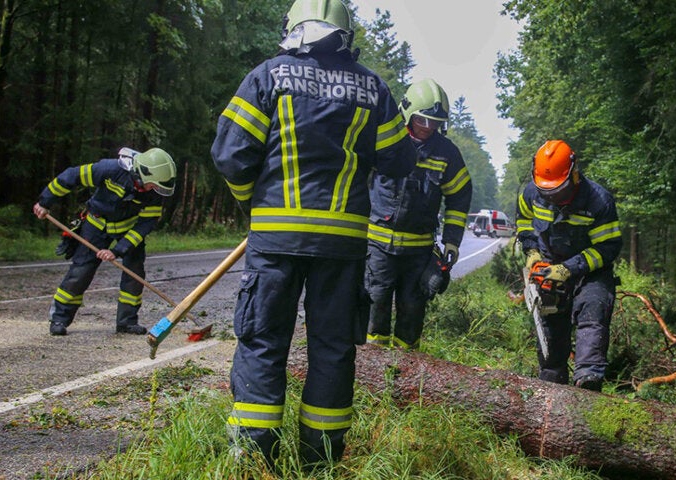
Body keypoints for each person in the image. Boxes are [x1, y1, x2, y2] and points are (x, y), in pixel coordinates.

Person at [210, 0, 415, 468]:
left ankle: (254, 461)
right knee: (333, 348)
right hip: (342, 245)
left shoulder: (267, 76)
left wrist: (251, 202)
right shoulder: (374, 88)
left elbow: (231, 156)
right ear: (345, 35)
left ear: (293, 28)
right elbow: (400, 160)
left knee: (263, 341)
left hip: (275, 239)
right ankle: (320, 462)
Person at [365, 78, 473, 349]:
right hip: (378, 246)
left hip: (418, 252)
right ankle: (373, 364)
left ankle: (406, 367)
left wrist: (452, 241)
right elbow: (357, 179)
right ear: (407, 113)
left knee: (412, 312)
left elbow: (460, 195)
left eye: (434, 123)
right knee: (374, 305)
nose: (428, 127)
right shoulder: (385, 140)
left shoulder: (447, 154)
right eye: (422, 120)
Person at [33, 147, 177, 336]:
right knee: (81, 272)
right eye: (153, 184)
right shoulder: (109, 170)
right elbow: (71, 176)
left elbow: (145, 225)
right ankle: (59, 319)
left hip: (128, 230)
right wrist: (44, 202)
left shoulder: (154, 194)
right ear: (142, 174)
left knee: (134, 274)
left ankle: (127, 322)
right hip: (96, 224)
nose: (155, 189)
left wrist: (117, 250)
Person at [516, 139, 622, 391]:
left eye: (558, 190)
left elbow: (607, 248)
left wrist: (568, 269)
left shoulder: (598, 201)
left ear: (573, 175)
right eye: (547, 191)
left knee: (592, 314)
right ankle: (552, 386)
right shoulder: (531, 194)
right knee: (551, 334)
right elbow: (524, 223)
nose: (552, 196)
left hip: (591, 272)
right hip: (549, 265)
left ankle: (588, 382)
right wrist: (532, 252)